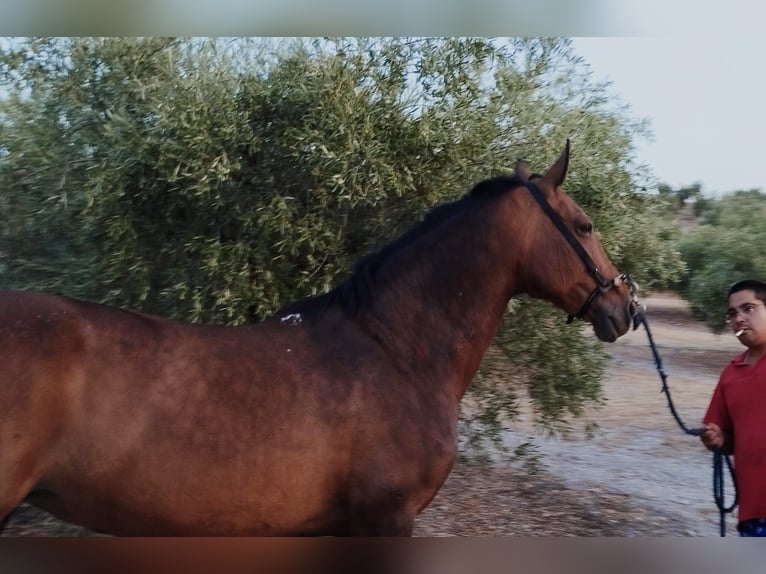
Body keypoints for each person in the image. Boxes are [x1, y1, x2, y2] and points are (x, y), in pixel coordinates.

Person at [701, 278, 766, 537]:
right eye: (732, 313)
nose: (738, 318)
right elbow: (726, 440)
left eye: (748, 308)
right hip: (753, 515)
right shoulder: (731, 373)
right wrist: (716, 438)